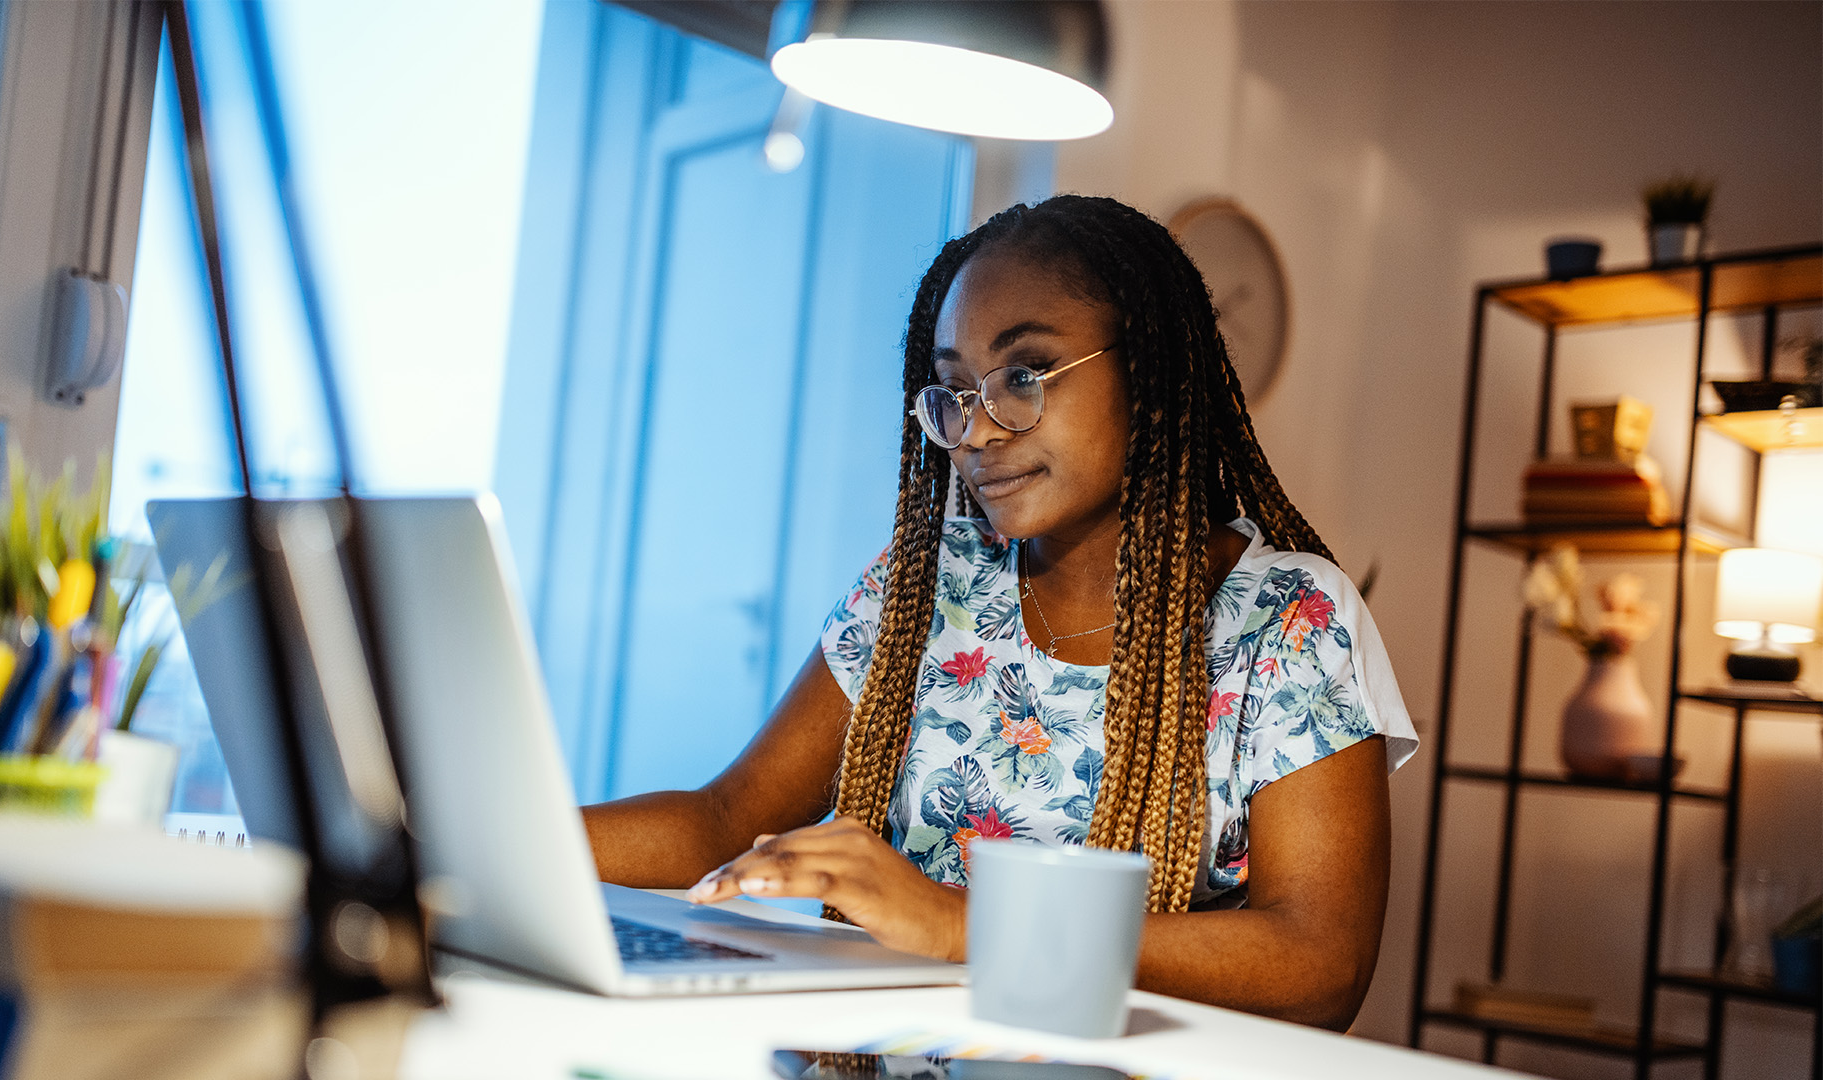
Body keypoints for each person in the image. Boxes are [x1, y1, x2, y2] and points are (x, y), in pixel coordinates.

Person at [583, 195, 1417, 1031]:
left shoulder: (1287, 620)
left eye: (1023, 376)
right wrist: (474, 840)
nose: (976, 431)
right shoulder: (926, 588)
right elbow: (724, 819)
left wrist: (962, 927)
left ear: (1149, 368)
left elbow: (1320, 964)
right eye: (953, 391)